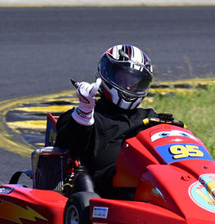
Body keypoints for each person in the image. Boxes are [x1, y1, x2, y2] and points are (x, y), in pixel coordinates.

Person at [55, 44, 164, 198]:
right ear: (105, 74)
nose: (127, 86)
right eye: (121, 78)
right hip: (108, 191)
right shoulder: (88, 116)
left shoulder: (149, 117)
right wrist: (85, 110)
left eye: (134, 82)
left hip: (151, 184)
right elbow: (67, 144)